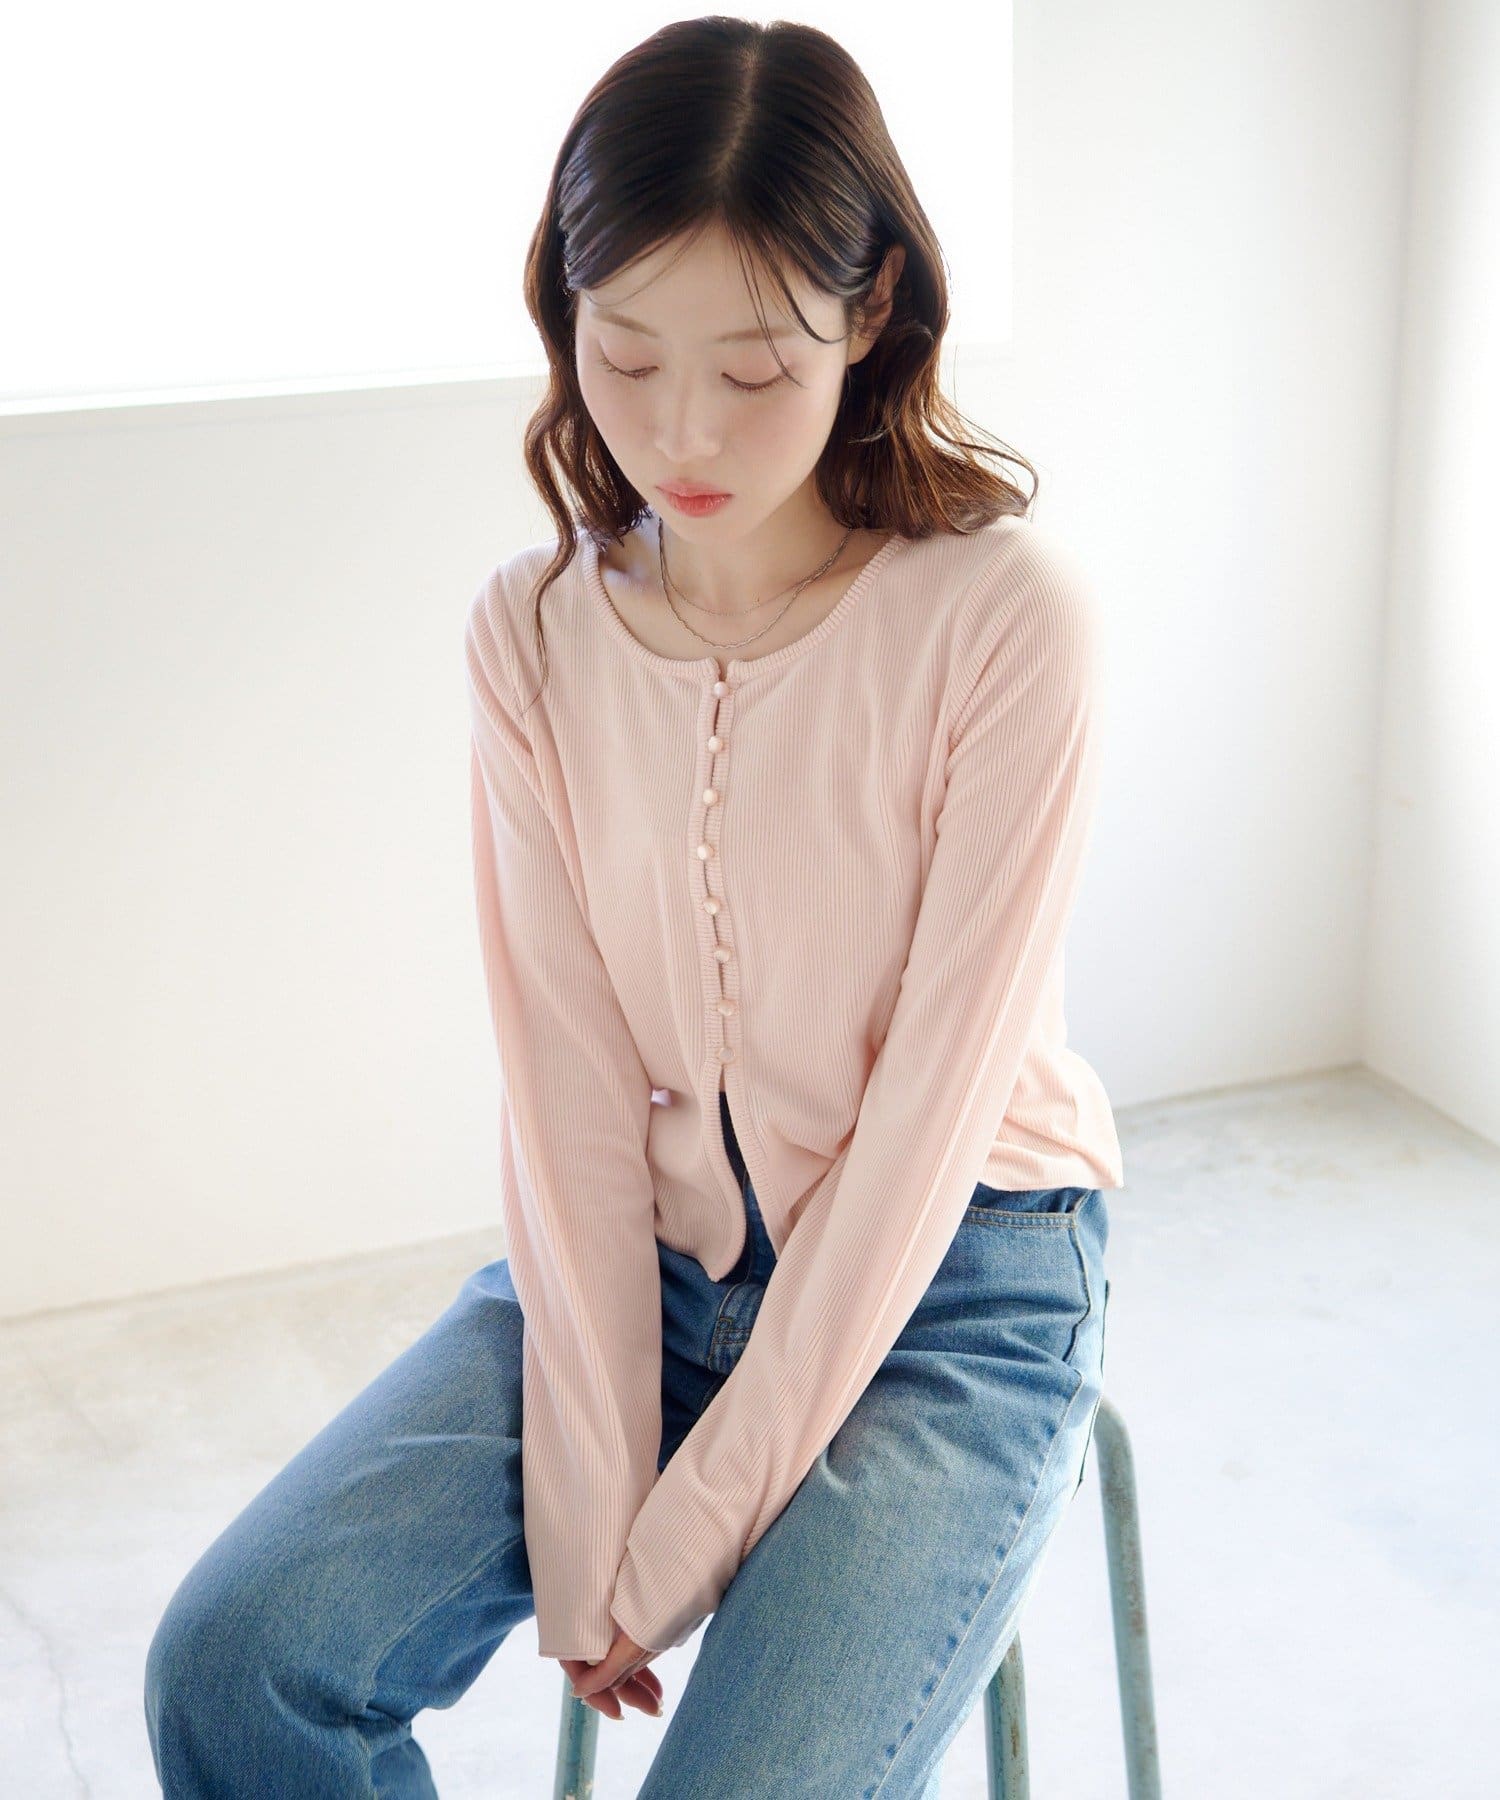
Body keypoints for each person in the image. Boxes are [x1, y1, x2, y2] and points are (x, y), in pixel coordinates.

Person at [144, 17, 1123, 1796]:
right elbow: (572, 1096)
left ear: (872, 309)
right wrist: (595, 1488)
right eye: (626, 353)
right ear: (564, 316)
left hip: (956, 1281)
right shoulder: (533, 635)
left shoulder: (1003, 623)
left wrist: (672, 1542)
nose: (682, 431)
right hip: (648, 1271)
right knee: (236, 1666)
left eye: (753, 369)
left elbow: (924, 1128)